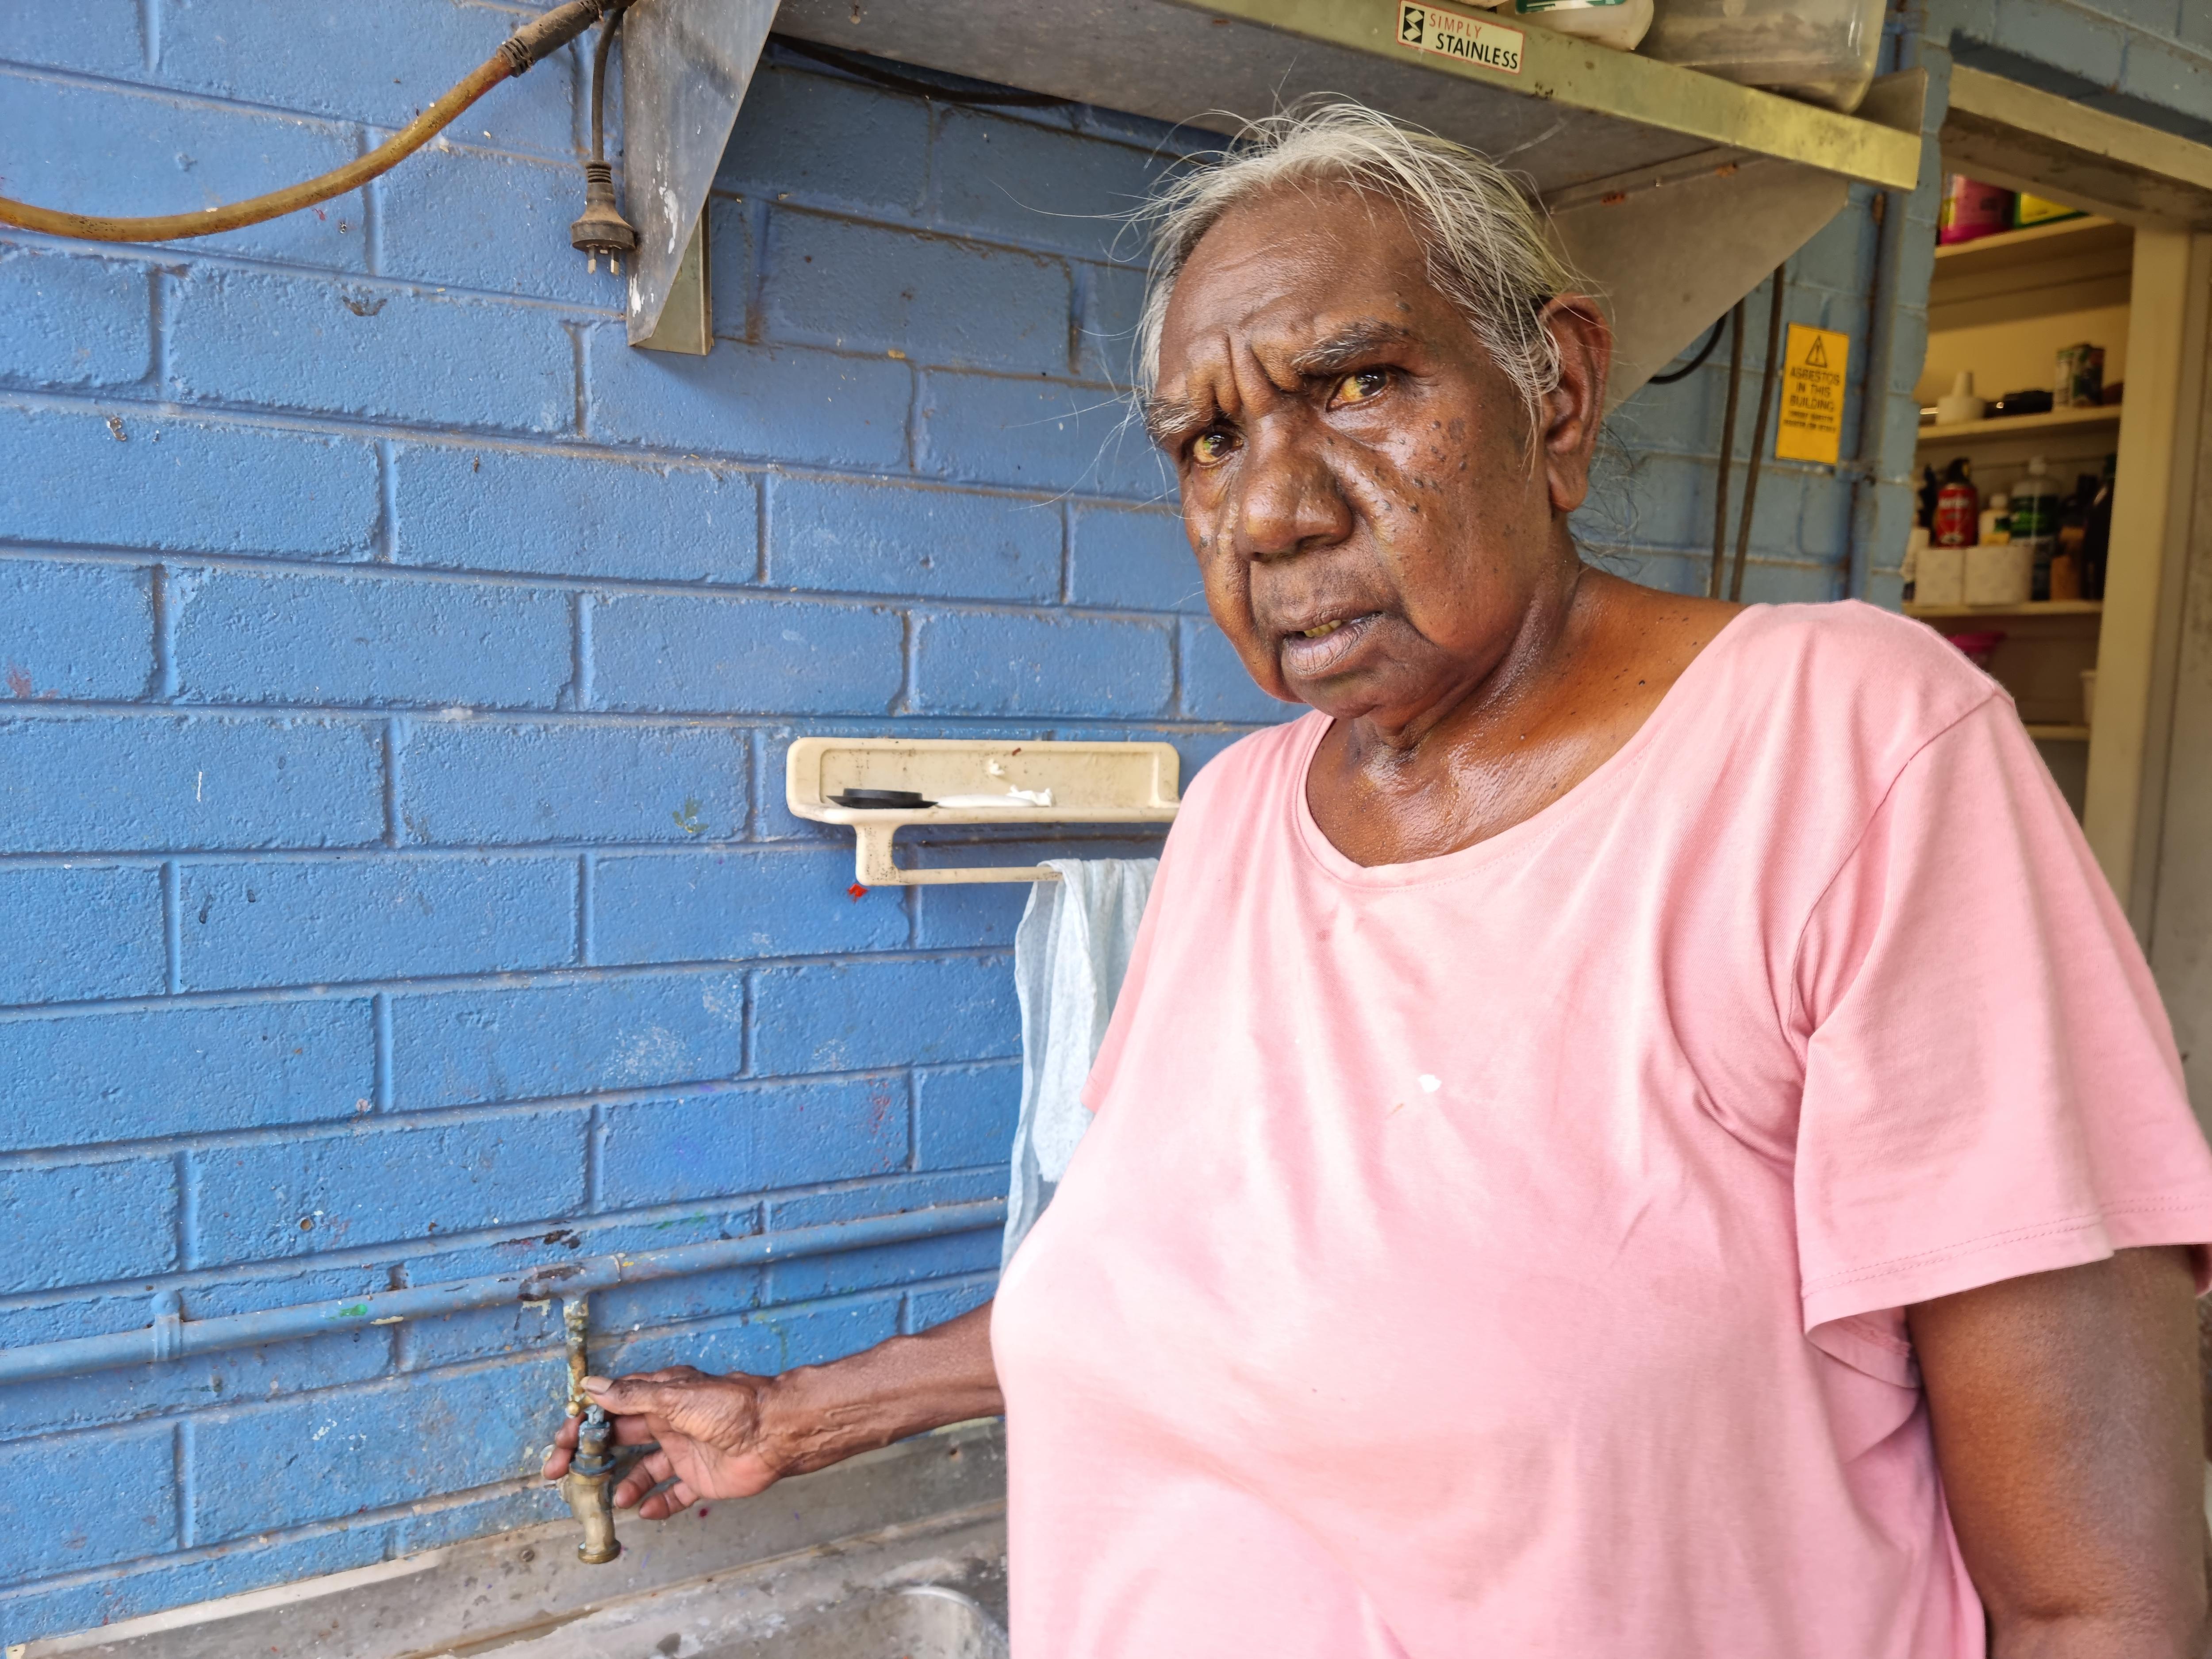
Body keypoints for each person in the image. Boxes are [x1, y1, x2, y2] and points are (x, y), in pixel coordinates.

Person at [546, 102, 2212, 1657]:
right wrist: (804, 1417)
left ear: (1557, 396)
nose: (1272, 511)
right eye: (1208, 440)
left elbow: (2096, 1603)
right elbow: (1206, 1289)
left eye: (1353, 385)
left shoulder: (1846, 756)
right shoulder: (1235, 822)